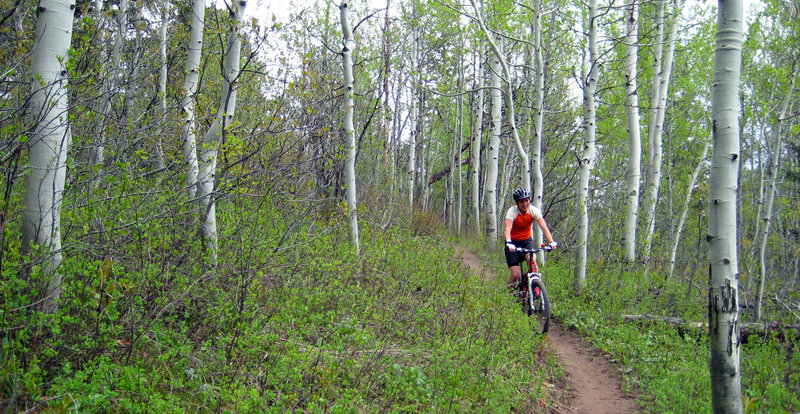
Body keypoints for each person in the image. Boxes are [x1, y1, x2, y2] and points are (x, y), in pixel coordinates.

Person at [504, 187, 558, 290]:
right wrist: (509, 242)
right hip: (512, 243)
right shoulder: (512, 212)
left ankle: (535, 287)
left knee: (533, 263)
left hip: (526, 241)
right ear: (517, 203)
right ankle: (508, 298)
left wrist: (551, 242)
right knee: (515, 275)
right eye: (521, 202)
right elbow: (507, 229)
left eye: (526, 201)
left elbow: (544, 227)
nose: (525, 204)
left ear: (529, 200)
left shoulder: (533, 211)